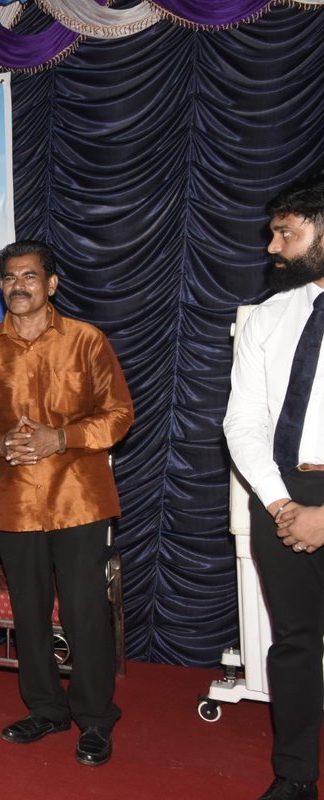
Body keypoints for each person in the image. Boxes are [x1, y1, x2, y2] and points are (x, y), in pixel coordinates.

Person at [0, 240, 133, 767]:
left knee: (85, 614)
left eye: (29, 276)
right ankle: (46, 710)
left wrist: (64, 438)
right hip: (14, 503)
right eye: (8, 277)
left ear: (52, 284)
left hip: (78, 499)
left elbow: (119, 415)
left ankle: (95, 719)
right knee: (28, 614)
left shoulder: (86, 340)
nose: (18, 286)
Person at [223, 174, 324, 800]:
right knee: (293, 644)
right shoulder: (269, 316)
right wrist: (283, 502)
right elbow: (244, 420)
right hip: (280, 493)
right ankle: (295, 776)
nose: (272, 247)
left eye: (286, 232)